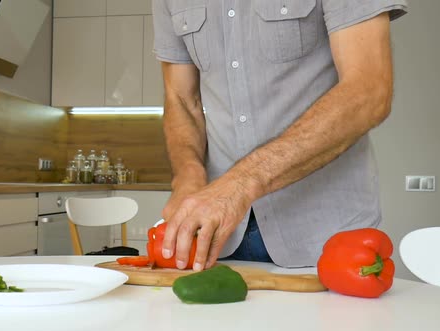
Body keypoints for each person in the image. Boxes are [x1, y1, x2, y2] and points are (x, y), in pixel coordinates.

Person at [152, 0, 409, 272]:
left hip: (325, 236)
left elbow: (369, 91)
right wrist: (188, 179)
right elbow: (181, 98)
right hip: (216, 236)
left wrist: (239, 186)